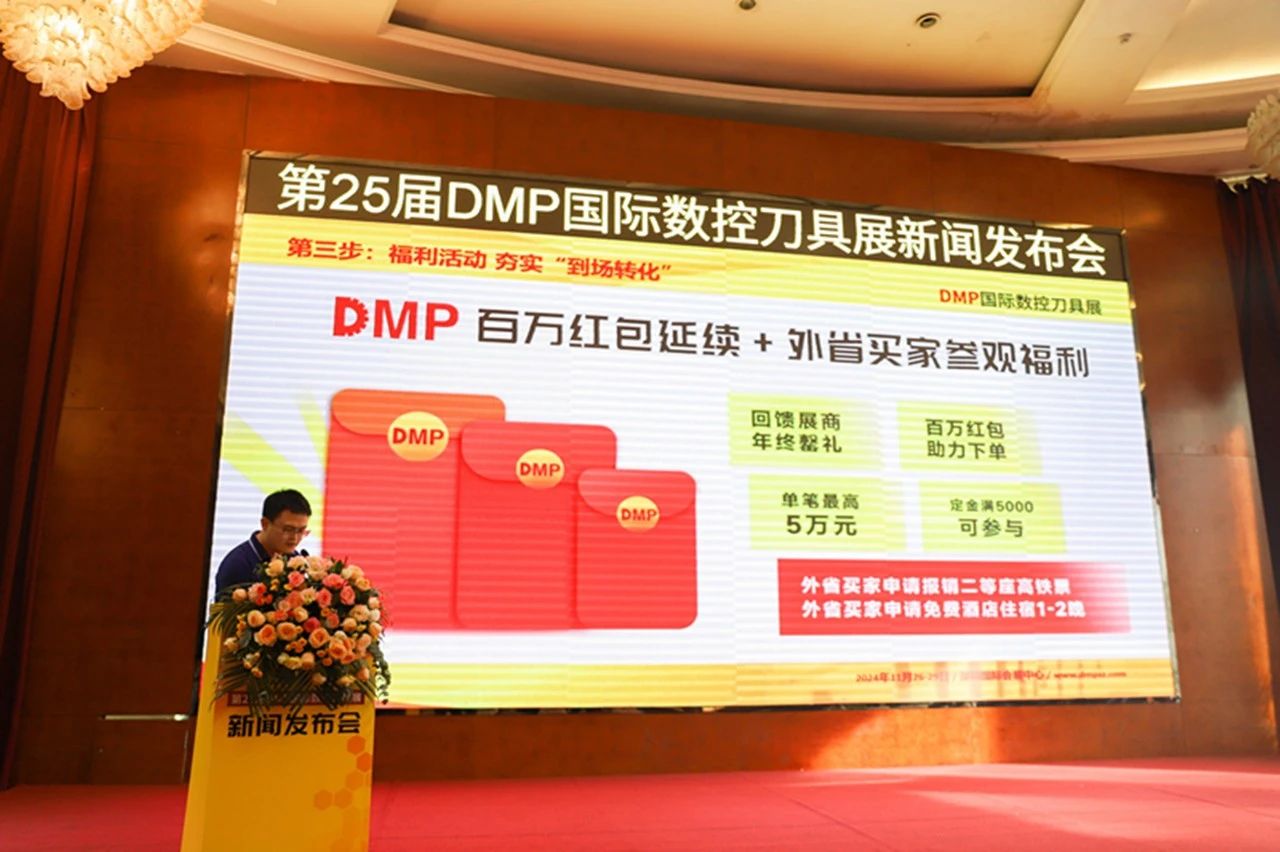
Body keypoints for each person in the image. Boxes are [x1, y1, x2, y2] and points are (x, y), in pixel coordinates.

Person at [214, 489, 312, 594]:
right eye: (288, 529)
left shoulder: (295, 560)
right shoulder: (238, 564)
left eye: (301, 531)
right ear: (265, 524)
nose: (295, 538)